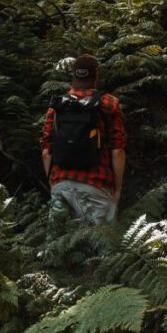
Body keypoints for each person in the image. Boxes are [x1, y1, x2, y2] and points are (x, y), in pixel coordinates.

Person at [40, 54, 126, 225]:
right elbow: (117, 150)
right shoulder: (108, 104)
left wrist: (54, 183)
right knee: (104, 246)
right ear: (96, 76)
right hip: (96, 185)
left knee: (61, 246)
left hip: (61, 184)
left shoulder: (58, 105)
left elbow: (46, 151)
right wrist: (117, 189)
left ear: (73, 76)